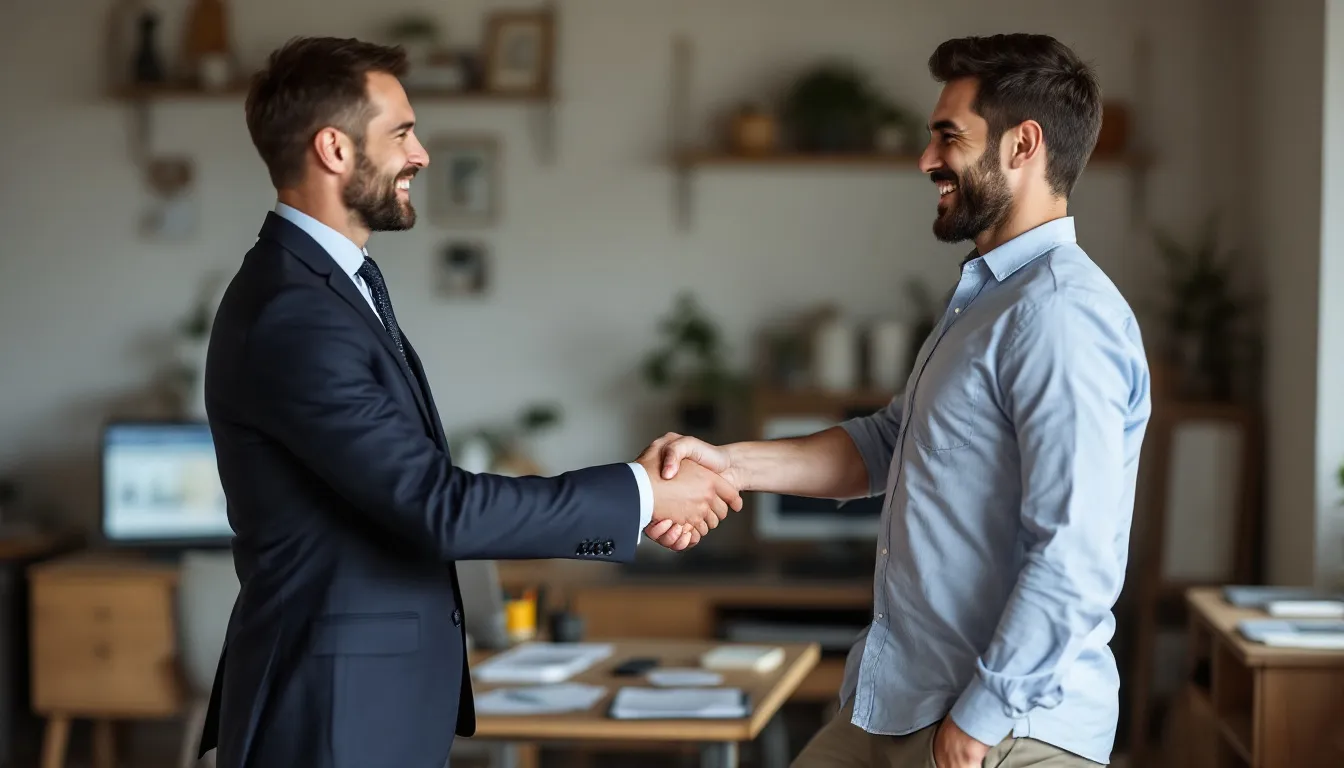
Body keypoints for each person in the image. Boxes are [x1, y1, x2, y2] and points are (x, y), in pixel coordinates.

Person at [196, 36, 741, 768]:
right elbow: (436, 507)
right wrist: (642, 495)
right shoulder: (294, 312)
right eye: (400, 133)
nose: (420, 155)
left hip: (367, 703)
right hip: (331, 714)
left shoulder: (328, 288)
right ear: (333, 148)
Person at [646, 33, 1151, 768]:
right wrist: (724, 462)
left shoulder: (1059, 316)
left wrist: (978, 721)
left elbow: (1076, 555)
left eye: (949, 136)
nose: (926, 160)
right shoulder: (986, 300)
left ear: (1023, 145)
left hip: (1004, 725)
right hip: (902, 701)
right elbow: (888, 443)